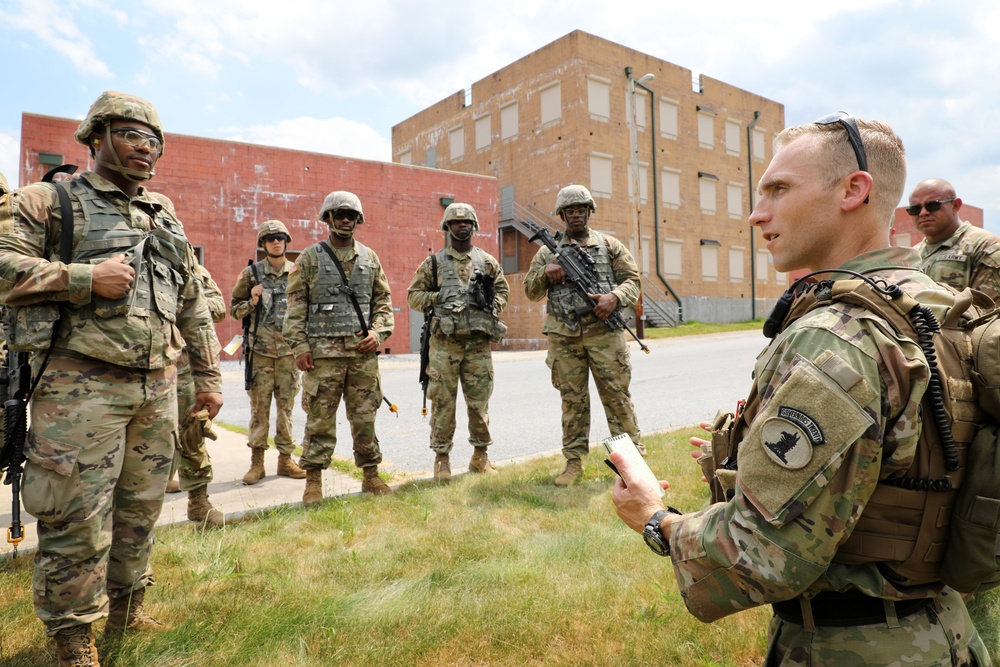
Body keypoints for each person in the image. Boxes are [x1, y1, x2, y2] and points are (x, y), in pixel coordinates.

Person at [611, 114, 990, 665]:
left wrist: (654, 518)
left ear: (853, 190)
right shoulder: (936, 304)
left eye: (779, 189)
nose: (756, 212)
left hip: (853, 647)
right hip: (946, 633)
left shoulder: (834, 335)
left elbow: (764, 554)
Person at [0, 91, 223, 666]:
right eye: (131, 134)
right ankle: (72, 636)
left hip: (156, 385)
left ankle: (127, 606)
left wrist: (208, 376)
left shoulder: (163, 213)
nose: (145, 148)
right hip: (81, 387)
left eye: (154, 140)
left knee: (141, 505)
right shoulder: (50, 199)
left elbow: (194, 298)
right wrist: (83, 277)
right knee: (76, 513)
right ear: (95, 135)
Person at [523, 184, 643, 486]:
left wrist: (614, 297)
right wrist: (546, 272)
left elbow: (633, 280)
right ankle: (573, 463)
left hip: (605, 335)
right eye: (570, 211)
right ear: (561, 215)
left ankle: (631, 463)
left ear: (589, 212)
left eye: (581, 209)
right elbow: (530, 291)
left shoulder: (609, 245)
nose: (576, 215)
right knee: (572, 402)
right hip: (564, 338)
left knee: (618, 399)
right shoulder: (546, 251)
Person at [283, 191, 394, 503]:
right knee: (319, 420)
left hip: (362, 357)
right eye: (339, 213)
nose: (345, 219)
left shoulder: (370, 259)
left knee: (365, 419)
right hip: (323, 358)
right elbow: (294, 308)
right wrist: (299, 346)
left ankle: (370, 476)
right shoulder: (308, 258)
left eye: (351, 214)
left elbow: (384, 303)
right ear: (327, 219)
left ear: (358, 220)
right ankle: (314, 482)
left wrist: (378, 332)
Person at [407, 203, 509, 481]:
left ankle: (480, 456)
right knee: (443, 404)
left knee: (479, 404)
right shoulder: (434, 263)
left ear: (473, 226)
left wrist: (492, 303)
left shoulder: (487, 261)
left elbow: (503, 290)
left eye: (466, 222)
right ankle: (442, 459)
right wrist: (441, 297)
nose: (462, 225)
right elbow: (413, 296)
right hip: (444, 346)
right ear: (448, 227)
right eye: (456, 222)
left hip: (477, 344)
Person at [230, 220, 305, 485]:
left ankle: (286, 461)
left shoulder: (296, 273)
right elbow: (233, 310)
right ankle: (257, 464)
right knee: (259, 410)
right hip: (260, 355)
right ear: (263, 243)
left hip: (288, 355)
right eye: (270, 238)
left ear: (286, 242)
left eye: (280, 237)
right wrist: (251, 301)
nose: (276, 242)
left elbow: (307, 309)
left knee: (286, 410)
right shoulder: (251, 274)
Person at [164, 261, 228, 529]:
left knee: (192, 431)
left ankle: (198, 502)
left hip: (181, 366)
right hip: (124, 364)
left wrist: (178, 303)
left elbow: (219, 307)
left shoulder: (189, 265)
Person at [909, 177, 1000, 298]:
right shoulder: (912, 255)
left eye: (932, 205)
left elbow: (991, 312)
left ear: (955, 206)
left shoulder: (985, 247)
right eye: (915, 209)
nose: (922, 213)